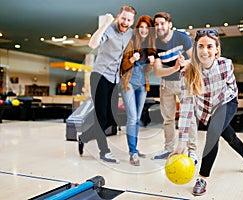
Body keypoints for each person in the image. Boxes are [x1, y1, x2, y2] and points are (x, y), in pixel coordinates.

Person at [171, 29, 243, 196]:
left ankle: (202, 178)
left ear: (217, 49)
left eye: (209, 46)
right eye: (201, 46)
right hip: (206, 110)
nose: (205, 51)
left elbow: (231, 87)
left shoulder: (225, 65)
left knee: (213, 134)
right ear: (195, 49)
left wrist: (230, 103)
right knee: (230, 137)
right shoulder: (186, 73)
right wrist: (181, 142)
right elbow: (187, 107)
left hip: (226, 101)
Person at [78, 5, 137, 164]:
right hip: (100, 76)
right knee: (101, 116)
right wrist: (105, 24)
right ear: (119, 16)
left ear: (132, 21)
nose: (125, 22)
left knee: (111, 119)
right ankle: (104, 151)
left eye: (129, 20)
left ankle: (83, 137)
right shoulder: (109, 29)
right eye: (123, 18)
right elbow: (92, 44)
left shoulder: (130, 34)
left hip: (114, 78)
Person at [151, 12, 198, 164]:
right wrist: (175, 67)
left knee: (188, 119)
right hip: (166, 84)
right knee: (168, 119)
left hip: (184, 81)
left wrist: (183, 64)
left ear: (169, 24)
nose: (159, 27)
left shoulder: (182, 37)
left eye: (162, 23)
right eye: (156, 24)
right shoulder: (155, 43)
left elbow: (195, 60)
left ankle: (192, 152)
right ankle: (168, 149)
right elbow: (157, 71)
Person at [120, 15, 156, 166]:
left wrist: (151, 63)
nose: (143, 30)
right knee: (132, 117)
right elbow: (122, 66)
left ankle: (134, 148)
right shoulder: (130, 41)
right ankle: (132, 152)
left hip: (142, 86)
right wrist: (132, 60)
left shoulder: (149, 47)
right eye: (141, 27)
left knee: (137, 119)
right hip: (128, 84)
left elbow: (146, 71)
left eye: (146, 28)